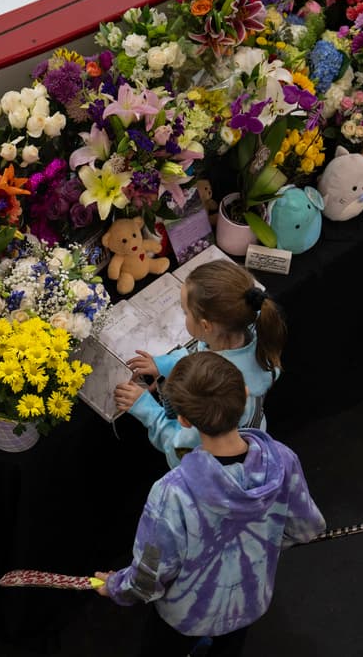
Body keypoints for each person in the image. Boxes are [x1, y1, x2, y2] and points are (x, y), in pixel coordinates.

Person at [96, 352, 325, 657]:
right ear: (244, 394)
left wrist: (116, 586)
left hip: (187, 615)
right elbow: (306, 528)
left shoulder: (171, 493)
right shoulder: (283, 459)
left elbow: (150, 576)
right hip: (249, 600)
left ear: (184, 419)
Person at [114, 260, 286, 469]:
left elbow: (181, 447)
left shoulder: (216, 390)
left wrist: (146, 408)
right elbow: (204, 349)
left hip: (219, 467)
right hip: (252, 434)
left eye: (186, 312)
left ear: (206, 325)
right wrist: (164, 365)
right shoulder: (250, 326)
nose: (184, 316)